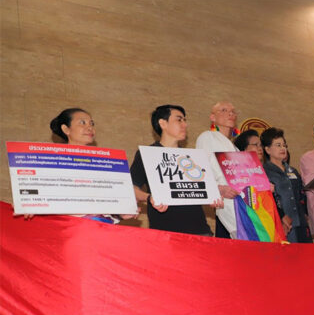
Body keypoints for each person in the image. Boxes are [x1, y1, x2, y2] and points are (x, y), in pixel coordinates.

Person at [130, 104, 222, 235]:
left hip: (200, 231)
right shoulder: (147, 154)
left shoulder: (191, 158)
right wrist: (150, 198)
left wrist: (212, 197)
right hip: (165, 232)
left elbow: (202, 189)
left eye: (185, 120)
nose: (184, 124)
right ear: (163, 123)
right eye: (179, 120)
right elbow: (132, 188)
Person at [43, 108, 138, 223]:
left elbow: (109, 201)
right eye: (82, 123)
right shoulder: (52, 162)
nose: (90, 128)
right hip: (70, 229)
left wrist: (121, 212)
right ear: (66, 129)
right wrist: (31, 205)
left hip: (104, 229)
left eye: (91, 124)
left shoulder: (105, 163)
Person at [195, 101, 242, 239]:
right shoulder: (206, 137)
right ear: (212, 117)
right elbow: (200, 172)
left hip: (243, 202)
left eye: (233, 111)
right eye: (224, 110)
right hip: (226, 200)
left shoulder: (236, 149)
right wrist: (218, 189)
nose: (230, 114)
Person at [261, 127, 312, 243]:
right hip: (281, 224)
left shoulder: (293, 171)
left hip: (301, 222)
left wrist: (305, 214)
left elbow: (301, 195)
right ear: (268, 150)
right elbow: (268, 200)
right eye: (278, 145)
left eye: (284, 145)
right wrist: (281, 216)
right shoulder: (264, 172)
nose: (283, 148)